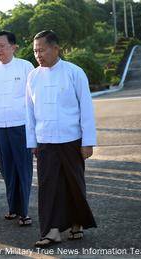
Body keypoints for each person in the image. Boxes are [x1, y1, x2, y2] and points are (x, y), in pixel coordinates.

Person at [25, 30, 97, 247]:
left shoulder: (74, 72)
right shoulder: (33, 76)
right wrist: (32, 142)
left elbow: (86, 108)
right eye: (35, 50)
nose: (38, 54)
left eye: (42, 49)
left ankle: (76, 223)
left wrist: (88, 141)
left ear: (56, 48)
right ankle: (51, 230)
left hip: (71, 139)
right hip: (45, 140)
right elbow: (29, 111)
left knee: (73, 183)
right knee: (48, 187)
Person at [0, 31, 34, 226]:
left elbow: (34, 99)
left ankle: (24, 212)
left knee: (23, 169)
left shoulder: (26, 67)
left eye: (2, 45)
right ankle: (13, 207)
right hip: (1, 128)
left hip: (22, 127)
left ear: (13, 47)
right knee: (7, 169)